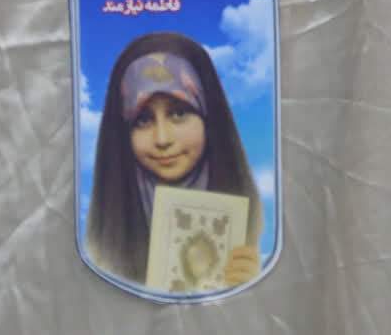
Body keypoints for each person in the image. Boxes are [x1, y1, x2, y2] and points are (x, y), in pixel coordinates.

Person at [85, 31, 262, 290]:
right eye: (143, 119)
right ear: (123, 131)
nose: (163, 138)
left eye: (179, 112)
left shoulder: (253, 229)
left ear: (209, 117)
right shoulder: (100, 246)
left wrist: (253, 285)